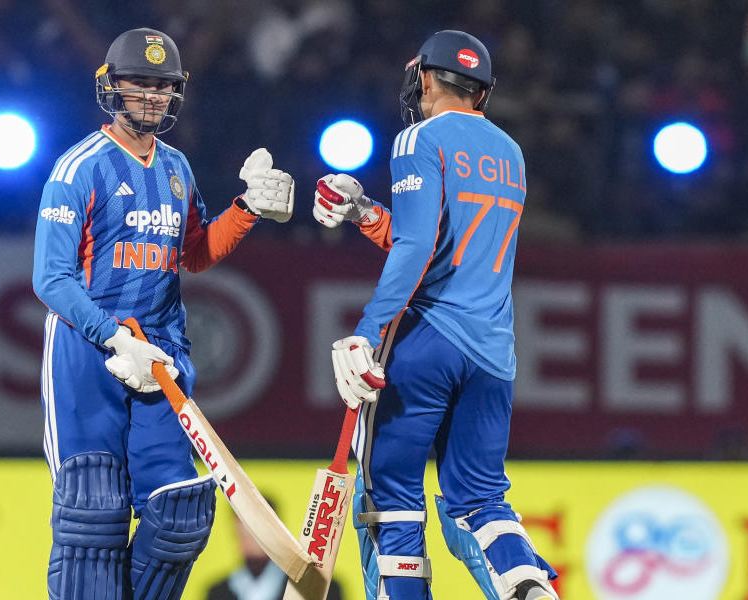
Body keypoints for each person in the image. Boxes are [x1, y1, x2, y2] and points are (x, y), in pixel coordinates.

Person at [32, 27, 294, 600]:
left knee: (180, 517)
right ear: (111, 88)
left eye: (162, 86)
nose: (151, 96)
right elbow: (50, 279)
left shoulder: (177, 167)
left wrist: (246, 209)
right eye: (139, 84)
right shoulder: (79, 168)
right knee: (93, 515)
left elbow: (195, 253)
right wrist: (112, 338)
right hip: (89, 353)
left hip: (163, 361)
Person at [313, 30, 558, 600]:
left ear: (424, 78)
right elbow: (452, 244)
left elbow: (419, 247)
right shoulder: (510, 150)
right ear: (482, 91)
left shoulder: (417, 139)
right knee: (479, 500)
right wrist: (366, 211)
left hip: (425, 340)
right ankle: (524, 580)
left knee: (389, 498)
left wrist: (368, 331)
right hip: (494, 353)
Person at [205, 497, 344, 600]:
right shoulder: (218, 592)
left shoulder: (317, 589)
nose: (247, 541)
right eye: (242, 534)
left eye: (254, 532)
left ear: (277, 532)